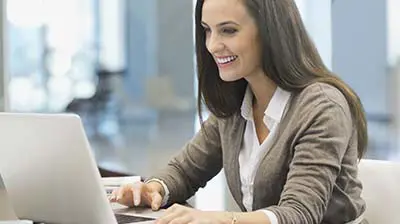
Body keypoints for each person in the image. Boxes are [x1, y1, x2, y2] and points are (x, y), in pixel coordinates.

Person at [110, 0, 369, 223]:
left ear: (270, 32)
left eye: (228, 31)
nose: (212, 45)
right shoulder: (237, 104)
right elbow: (185, 171)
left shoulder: (322, 106)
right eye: (207, 31)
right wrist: (153, 189)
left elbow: (299, 213)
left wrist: (219, 218)